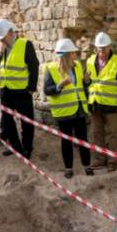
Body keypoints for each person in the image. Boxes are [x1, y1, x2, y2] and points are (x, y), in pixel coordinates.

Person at [43, 39, 93, 178]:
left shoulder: (77, 66)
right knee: (67, 141)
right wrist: (59, 86)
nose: (75, 55)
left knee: (83, 139)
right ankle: (68, 168)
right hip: (64, 112)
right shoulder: (51, 69)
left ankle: (87, 166)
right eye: (73, 53)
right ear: (66, 55)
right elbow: (47, 90)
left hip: (79, 109)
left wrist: (86, 81)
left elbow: (80, 87)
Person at [0, 18, 39, 158]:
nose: (1, 40)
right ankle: (16, 147)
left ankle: (27, 148)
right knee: (7, 122)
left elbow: (34, 67)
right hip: (6, 91)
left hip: (22, 91)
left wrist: (31, 88)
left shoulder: (25, 44)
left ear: (10, 33)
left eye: (3, 37)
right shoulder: (2, 46)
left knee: (26, 122)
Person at [86, 32, 117, 171]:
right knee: (97, 133)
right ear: (96, 48)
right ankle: (99, 159)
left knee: (113, 134)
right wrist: (86, 84)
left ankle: (112, 161)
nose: (102, 51)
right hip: (95, 103)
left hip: (111, 105)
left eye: (105, 48)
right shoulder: (90, 60)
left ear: (110, 47)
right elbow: (89, 82)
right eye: (100, 48)